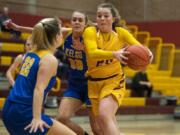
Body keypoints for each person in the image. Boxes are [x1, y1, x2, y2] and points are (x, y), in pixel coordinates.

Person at [5, 11, 101, 135]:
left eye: (80, 20)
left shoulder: (32, 53)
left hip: (91, 83)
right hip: (74, 85)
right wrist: (18, 28)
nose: (76, 22)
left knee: (97, 128)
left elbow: (41, 30)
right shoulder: (51, 55)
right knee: (61, 118)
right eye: (74, 19)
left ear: (86, 23)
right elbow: (41, 30)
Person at [82, 3, 152, 135]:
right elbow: (92, 52)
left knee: (104, 115)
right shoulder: (90, 32)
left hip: (114, 81)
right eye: (99, 16)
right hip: (94, 83)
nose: (102, 18)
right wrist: (114, 54)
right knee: (100, 128)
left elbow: (139, 47)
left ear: (113, 19)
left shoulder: (121, 33)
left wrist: (149, 54)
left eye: (106, 16)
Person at [2, 17, 76, 135]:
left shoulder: (32, 51)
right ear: (57, 37)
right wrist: (36, 118)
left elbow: (40, 30)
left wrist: (18, 28)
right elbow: (39, 89)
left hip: (9, 107)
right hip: (24, 112)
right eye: (60, 33)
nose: (63, 35)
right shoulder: (49, 59)